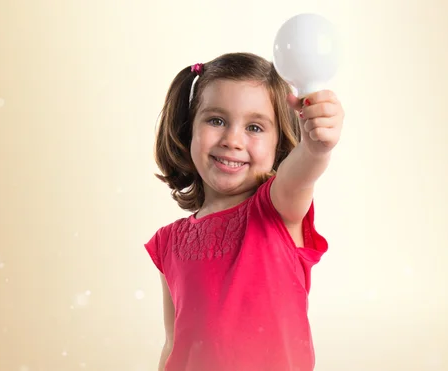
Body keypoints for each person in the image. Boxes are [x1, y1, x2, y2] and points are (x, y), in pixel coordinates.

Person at [144, 52, 344, 371]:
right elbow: (172, 343)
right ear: (188, 129)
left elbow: (304, 167)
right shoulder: (167, 242)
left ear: (279, 144)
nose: (233, 140)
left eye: (254, 127)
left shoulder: (277, 207)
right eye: (216, 120)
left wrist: (316, 147)